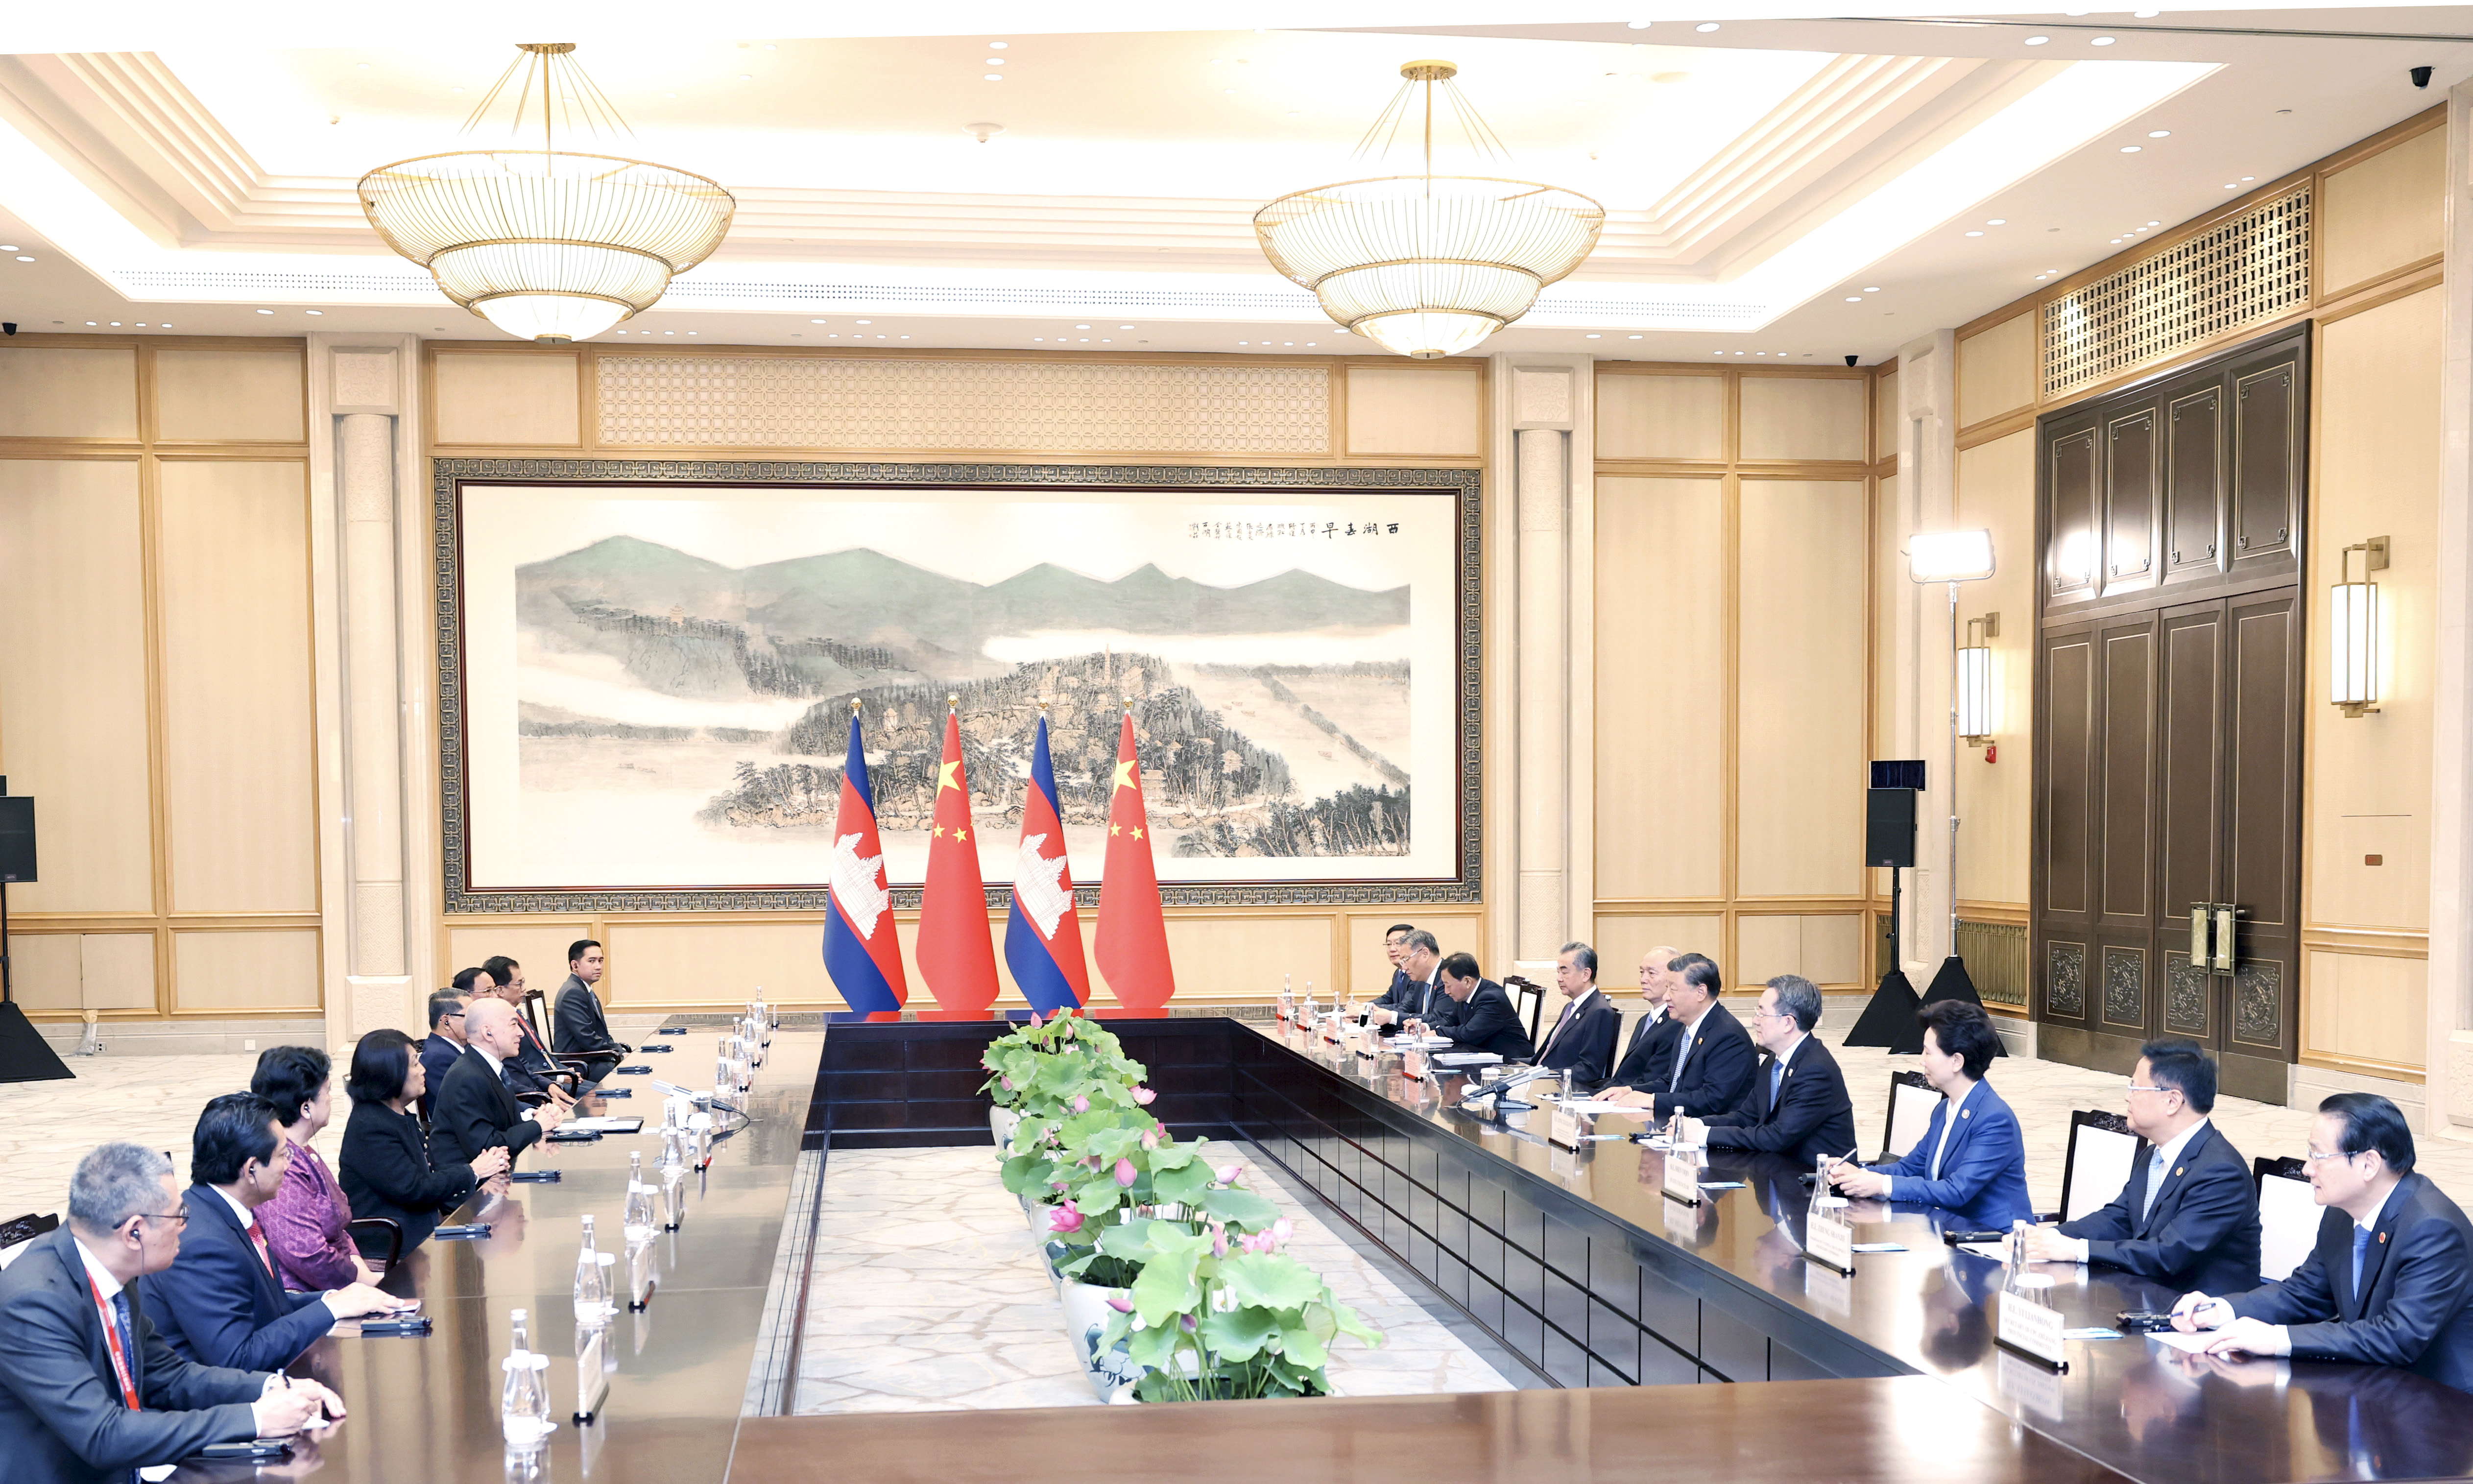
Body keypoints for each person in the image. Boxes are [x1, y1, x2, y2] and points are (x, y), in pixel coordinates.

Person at [0, 1143, 343, 1484]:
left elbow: (168, 1376)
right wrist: (255, 1419)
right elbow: (103, 1436)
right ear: (134, 1232)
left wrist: (273, 1386)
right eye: (179, 1215)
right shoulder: (33, 1303)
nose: (186, 1225)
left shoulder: (111, 1263)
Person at [2173, 1093, 2473, 1391]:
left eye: (2319, 1156)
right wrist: (2222, 1310)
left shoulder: (2433, 1230)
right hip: (2374, 1387)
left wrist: (2277, 1339)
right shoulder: (2341, 1214)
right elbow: (2305, 1294)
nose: (2307, 1168)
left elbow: (2397, 1337)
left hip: (2441, 1403)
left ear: (2369, 1164)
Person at [139, 1095, 402, 1370]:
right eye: (283, 1155)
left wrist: (334, 1299)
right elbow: (238, 1358)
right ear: (251, 1168)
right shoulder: (202, 1245)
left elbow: (270, 1306)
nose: (289, 1165)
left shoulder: (225, 1209)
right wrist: (331, 1309)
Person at [2021, 1037, 2260, 1293]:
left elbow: (2169, 1254)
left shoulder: (2221, 1173)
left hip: (2198, 1308)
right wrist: (2049, 1238)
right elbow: (2119, 1219)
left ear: (2173, 1101)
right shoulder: (2152, 1155)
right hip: (2146, 1294)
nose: (2128, 1097)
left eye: (2135, 1088)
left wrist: (2076, 1250)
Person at [1828, 1001, 2035, 1227]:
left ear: (1956, 1061)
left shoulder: (1994, 1120)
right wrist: (1859, 1174)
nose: (1922, 1060)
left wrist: (1883, 1185)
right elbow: (1910, 1168)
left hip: (1996, 1238)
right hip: (1950, 1229)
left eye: (1928, 1052)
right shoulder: (1943, 1110)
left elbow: (1957, 1190)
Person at [339, 1029, 510, 1251]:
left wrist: (483, 1169)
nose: (423, 1070)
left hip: (417, 1228)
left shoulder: (394, 1114)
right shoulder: (371, 1126)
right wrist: (473, 1171)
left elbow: (426, 1177)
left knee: (497, 1225)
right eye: (415, 1064)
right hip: (391, 1245)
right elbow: (415, 1188)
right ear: (390, 1073)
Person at [249, 1046, 377, 1293]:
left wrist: (366, 1276)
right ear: (306, 1107)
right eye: (327, 1091)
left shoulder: (303, 1150)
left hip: (341, 1280)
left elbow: (338, 1232)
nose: (330, 1098)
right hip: (306, 1296)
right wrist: (365, 1284)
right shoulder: (282, 1167)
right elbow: (307, 1256)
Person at [1703, 976, 1856, 1165]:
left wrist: (1705, 1135)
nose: (1755, 1021)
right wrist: (1698, 1124)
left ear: (1788, 1023)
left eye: (1762, 1014)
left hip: (1815, 1176)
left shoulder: (1815, 1071)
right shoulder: (1773, 1060)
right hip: (1778, 1168)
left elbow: (1777, 1137)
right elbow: (1747, 1117)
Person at [1605, 954, 1755, 1120]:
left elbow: (1712, 1100)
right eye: (1667, 988)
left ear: (1701, 992)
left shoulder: (1728, 1037)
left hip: (1711, 1129)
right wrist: (1630, 1090)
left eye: (1673, 989)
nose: (1666, 997)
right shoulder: (1688, 1028)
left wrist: (1653, 1100)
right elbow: (1673, 1082)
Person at [430, 997, 570, 1167]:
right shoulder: (467, 1077)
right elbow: (486, 1147)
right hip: (469, 1178)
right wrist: (537, 1125)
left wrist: (533, 1116)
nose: (521, 1033)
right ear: (487, 1032)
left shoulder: (488, 1067)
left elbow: (503, 1122)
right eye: (513, 1025)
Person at [456, 963, 574, 1106]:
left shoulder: (499, 1026)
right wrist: (541, 1103)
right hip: (530, 1099)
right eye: (488, 991)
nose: (495, 996)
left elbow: (523, 1067)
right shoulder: (479, 1041)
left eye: (495, 989)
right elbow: (504, 1084)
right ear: (467, 996)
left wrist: (549, 1085)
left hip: (536, 1093)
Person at [1405, 953, 1532, 1060]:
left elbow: (1469, 1033)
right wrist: (1425, 1028)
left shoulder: (1491, 998)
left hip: (1512, 1062)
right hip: (1483, 1056)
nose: (1446, 991)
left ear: (1467, 982)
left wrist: (1437, 1032)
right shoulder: (1465, 994)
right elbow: (1451, 1021)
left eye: (1449, 986)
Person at [1532, 942, 1618, 1086]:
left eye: (1565, 972)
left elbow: (1589, 1070)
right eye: (1558, 972)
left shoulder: (1599, 1012)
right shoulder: (1571, 1007)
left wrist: (1543, 1076)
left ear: (1586, 974)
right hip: (1542, 1081)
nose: (1559, 978)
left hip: (1560, 1087)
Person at [1605, 945, 1683, 1091]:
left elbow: (1654, 1079)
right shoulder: (1644, 1020)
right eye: (1642, 972)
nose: (1643, 979)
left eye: (1652, 973)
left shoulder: (1676, 1024)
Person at [552, 938, 627, 1081]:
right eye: (592, 961)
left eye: (601, 961)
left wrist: (618, 1050)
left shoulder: (583, 989)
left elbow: (601, 1034)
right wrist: (618, 1053)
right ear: (575, 965)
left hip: (591, 1058)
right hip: (579, 1064)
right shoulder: (572, 993)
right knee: (628, 1072)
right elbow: (587, 1038)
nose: (598, 966)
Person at [1364, 930, 1443, 1029]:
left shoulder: (1448, 977)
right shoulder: (1421, 980)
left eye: (1406, 959)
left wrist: (1392, 1017)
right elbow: (1408, 1010)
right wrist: (1378, 1015)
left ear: (1425, 954)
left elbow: (1440, 1019)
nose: (1404, 967)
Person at [420, 988, 470, 1124]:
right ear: (446, 1022)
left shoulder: (449, 1051)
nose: (475, 1021)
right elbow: (460, 1107)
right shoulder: (439, 1058)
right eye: (469, 1016)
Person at [1361, 924, 1417, 1017]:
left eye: (1398, 943)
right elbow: (1388, 998)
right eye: (1389, 944)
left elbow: (1407, 1007)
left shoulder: (1417, 974)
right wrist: (1364, 1005)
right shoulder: (1399, 973)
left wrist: (1367, 1009)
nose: (1392, 949)